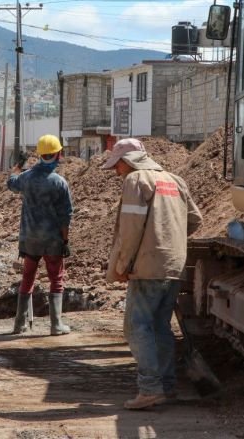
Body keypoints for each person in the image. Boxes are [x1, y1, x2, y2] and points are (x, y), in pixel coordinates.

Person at [103, 137, 203, 410]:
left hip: (147, 267)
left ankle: (149, 389)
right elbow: (195, 219)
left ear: (128, 161)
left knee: (137, 326)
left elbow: (131, 228)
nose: (116, 171)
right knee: (160, 326)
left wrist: (122, 265)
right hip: (174, 265)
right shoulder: (175, 180)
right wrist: (170, 241)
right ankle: (167, 387)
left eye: (117, 165)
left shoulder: (136, 182)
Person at [7, 134, 74, 336]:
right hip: (52, 239)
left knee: (27, 278)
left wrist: (16, 168)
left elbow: (11, 183)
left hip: (29, 239)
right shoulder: (59, 182)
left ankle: (19, 324)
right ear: (58, 154)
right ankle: (56, 325)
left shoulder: (25, 178)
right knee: (56, 278)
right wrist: (65, 240)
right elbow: (66, 216)